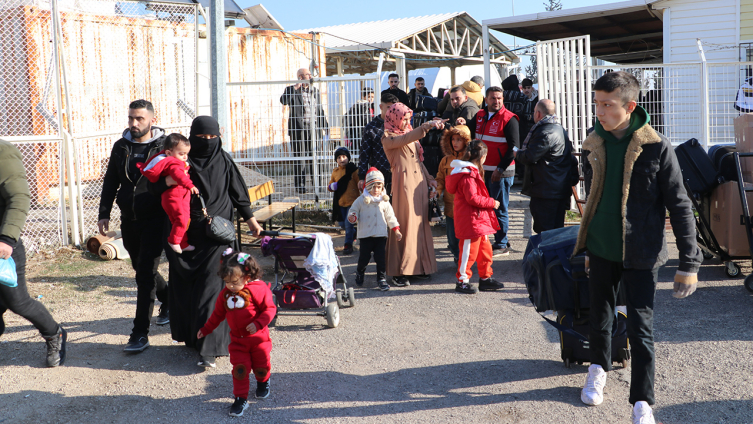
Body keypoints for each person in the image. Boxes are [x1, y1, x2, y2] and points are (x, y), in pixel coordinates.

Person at [574, 71, 701, 424]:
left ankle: (642, 401)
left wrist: (689, 263)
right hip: (601, 249)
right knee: (599, 318)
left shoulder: (657, 146)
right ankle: (597, 368)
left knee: (640, 329)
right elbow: (593, 199)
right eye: (597, 103)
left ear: (630, 106)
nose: (599, 112)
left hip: (642, 253)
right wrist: (588, 248)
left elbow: (680, 205)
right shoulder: (593, 143)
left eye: (607, 104)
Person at [151, 115, 264, 368]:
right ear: (192, 137)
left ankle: (209, 348)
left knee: (211, 288)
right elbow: (151, 187)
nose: (208, 142)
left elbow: (238, 193)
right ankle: (193, 337)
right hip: (183, 234)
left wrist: (252, 222)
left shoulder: (223, 159)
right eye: (202, 137)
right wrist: (167, 182)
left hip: (216, 235)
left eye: (213, 137)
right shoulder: (179, 158)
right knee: (186, 287)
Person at [98, 99, 170, 353]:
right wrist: (104, 213)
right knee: (140, 267)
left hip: (156, 219)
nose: (134, 123)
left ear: (152, 119)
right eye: (131, 118)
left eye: (139, 118)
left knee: (145, 275)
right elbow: (111, 181)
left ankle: (140, 333)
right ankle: (169, 299)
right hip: (129, 219)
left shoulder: (164, 146)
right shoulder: (121, 146)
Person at [0, 139, 67, 367]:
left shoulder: (3, 151)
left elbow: (19, 197)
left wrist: (7, 238)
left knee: (17, 301)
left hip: (3, 246)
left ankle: (54, 333)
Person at [198, 250, 275, 417]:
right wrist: (205, 329)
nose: (230, 286)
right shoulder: (225, 295)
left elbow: (270, 309)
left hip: (258, 341)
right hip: (238, 342)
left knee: (261, 366)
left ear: (247, 277)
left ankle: (263, 382)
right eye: (227, 282)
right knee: (240, 370)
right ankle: (241, 399)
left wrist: (258, 323)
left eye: (234, 282)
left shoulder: (258, 289)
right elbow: (217, 315)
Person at [381, 103, 444, 286]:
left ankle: (419, 268)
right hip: (404, 186)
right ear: (394, 119)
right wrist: (427, 126)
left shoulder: (409, 133)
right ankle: (399, 271)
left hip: (419, 184)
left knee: (420, 226)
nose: (407, 122)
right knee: (404, 226)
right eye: (404, 119)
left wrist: (430, 178)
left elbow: (418, 160)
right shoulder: (388, 137)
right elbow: (406, 138)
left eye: (409, 119)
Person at [445, 140, 505, 294]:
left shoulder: (468, 172)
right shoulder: (468, 175)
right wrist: (492, 202)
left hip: (477, 219)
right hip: (471, 220)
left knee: (485, 250)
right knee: (468, 252)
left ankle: (485, 278)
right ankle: (462, 281)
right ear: (482, 157)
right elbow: (473, 198)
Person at [514, 99, 573, 234]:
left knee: (545, 231)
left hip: (546, 190)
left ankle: (547, 249)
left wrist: (517, 153)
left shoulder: (544, 132)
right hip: (557, 188)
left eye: (534, 112)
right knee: (556, 230)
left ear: (538, 114)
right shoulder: (559, 128)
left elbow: (530, 156)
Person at [474, 87, 520, 256]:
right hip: (484, 171)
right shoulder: (480, 115)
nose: (497, 101)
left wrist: (500, 169)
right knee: (487, 207)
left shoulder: (509, 118)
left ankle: (501, 245)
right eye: (493, 98)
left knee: (499, 208)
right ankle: (498, 240)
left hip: (501, 172)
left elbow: (514, 148)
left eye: (499, 98)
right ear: (486, 99)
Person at [137, 133, 200, 254]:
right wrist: (190, 185)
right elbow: (178, 175)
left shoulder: (174, 161)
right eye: (181, 154)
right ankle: (174, 241)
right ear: (169, 153)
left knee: (181, 221)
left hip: (176, 196)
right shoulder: (173, 163)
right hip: (175, 196)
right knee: (182, 219)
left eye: (186, 154)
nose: (185, 157)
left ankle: (183, 243)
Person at [347, 168, 402, 291]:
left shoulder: (384, 201)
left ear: (382, 187)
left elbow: (390, 217)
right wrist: (352, 217)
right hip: (366, 235)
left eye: (379, 187)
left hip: (380, 235)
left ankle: (381, 279)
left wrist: (396, 230)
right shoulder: (361, 200)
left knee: (381, 259)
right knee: (364, 258)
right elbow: (353, 211)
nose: (376, 190)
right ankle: (360, 272)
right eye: (373, 187)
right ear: (367, 186)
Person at [280, 68, 329, 194]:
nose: (311, 76)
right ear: (301, 77)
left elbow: (320, 110)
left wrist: (325, 126)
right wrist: (295, 87)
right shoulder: (291, 89)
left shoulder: (315, 91)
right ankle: (300, 186)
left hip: (314, 129)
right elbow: (283, 101)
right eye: (308, 75)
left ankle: (317, 185)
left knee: (315, 157)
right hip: (298, 129)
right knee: (299, 158)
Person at [435, 125, 472, 264]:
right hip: (450, 207)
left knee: (465, 236)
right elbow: (440, 179)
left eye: (459, 139)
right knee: (451, 238)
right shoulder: (445, 160)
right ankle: (457, 256)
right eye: (453, 139)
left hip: (465, 206)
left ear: (466, 141)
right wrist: (437, 192)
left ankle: (464, 260)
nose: (455, 143)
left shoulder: (470, 161)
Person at [358, 93, 398, 195]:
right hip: (378, 174)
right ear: (381, 107)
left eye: (394, 108)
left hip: (398, 172)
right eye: (388, 107)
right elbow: (364, 154)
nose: (391, 110)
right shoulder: (371, 127)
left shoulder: (399, 125)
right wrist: (362, 177)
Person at [328, 146, 359, 255]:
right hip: (340, 202)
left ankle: (348, 245)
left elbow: (360, 183)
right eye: (339, 157)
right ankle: (354, 233)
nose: (342, 159)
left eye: (344, 156)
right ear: (336, 160)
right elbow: (330, 185)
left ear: (348, 158)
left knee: (348, 223)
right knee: (342, 224)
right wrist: (332, 186)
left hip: (353, 202)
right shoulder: (335, 172)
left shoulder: (354, 171)